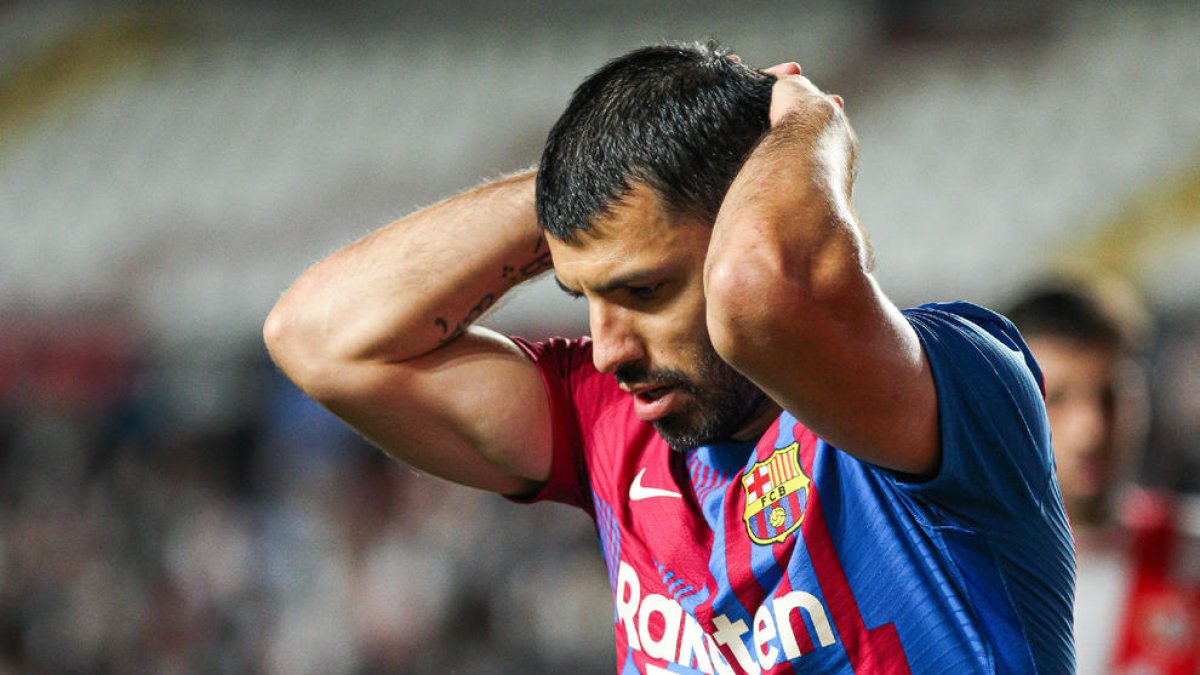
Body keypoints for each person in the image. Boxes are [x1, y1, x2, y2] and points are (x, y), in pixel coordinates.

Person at [265, 42, 1075, 673]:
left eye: (645, 289)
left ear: (741, 218)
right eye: (586, 293)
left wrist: (805, 123)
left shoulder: (951, 385)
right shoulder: (612, 423)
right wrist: (588, 188)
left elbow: (758, 292)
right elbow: (319, 339)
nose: (609, 346)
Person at [1009, 277, 1200, 674]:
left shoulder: (1190, 555)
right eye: (1056, 399)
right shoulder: (956, 575)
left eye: (1108, 395)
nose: (1090, 429)